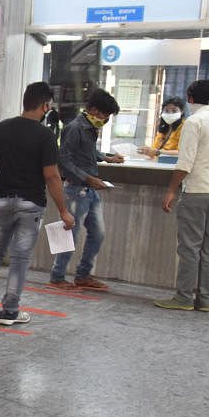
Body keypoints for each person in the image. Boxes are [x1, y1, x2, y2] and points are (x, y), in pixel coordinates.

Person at [0, 82, 76, 326]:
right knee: (20, 258)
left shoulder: (3, 127)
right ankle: (9, 311)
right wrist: (64, 210)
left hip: (2, 200)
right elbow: (52, 176)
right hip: (31, 204)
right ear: (45, 105)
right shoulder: (45, 135)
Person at [154, 79, 209, 312]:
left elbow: (185, 162)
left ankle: (183, 298)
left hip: (197, 192)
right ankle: (204, 300)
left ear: (190, 98)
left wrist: (171, 189)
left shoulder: (194, 122)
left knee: (190, 247)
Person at [48, 88, 125, 291]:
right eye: (103, 115)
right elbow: (64, 159)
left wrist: (106, 157)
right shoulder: (74, 128)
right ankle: (57, 277)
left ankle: (83, 275)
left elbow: (88, 151)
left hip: (90, 191)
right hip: (75, 189)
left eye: (107, 117)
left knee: (97, 233)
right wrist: (88, 178)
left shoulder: (90, 128)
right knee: (69, 234)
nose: (105, 119)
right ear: (91, 109)